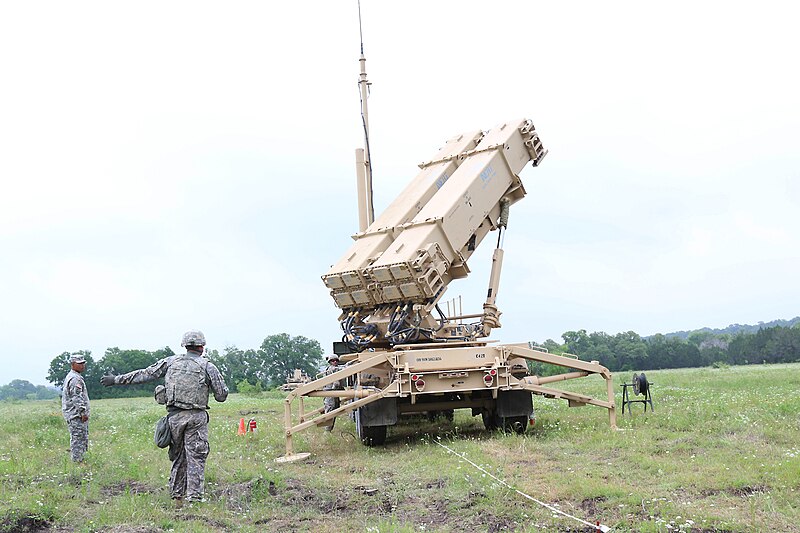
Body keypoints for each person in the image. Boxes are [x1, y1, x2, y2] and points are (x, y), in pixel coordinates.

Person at [100, 330, 228, 507]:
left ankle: (177, 497)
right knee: (196, 458)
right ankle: (194, 500)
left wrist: (116, 379)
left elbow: (144, 374)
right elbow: (221, 396)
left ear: (184, 345)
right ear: (202, 347)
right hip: (196, 418)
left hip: (174, 417)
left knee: (178, 457)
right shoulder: (208, 366)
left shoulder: (170, 362)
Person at [62, 353, 90, 462]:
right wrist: (82, 412)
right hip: (76, 414)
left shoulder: (73, 376)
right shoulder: (75, 379)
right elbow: (76, 397)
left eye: (83, 363)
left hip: (74, 413)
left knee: (80, 438)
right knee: (78, 439)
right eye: (79, 363)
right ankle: (78, 462)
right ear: (73, 364)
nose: (82, 365)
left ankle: (81, 460)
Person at [322, 355, 345, 432]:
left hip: (332, 394)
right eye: (333, 360)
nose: (335, 362)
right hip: (330, 394)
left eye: (336, 360)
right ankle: (327, 431)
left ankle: (329, 430)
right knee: (330, 412)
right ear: (330, 362)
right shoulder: (333, 369)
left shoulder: (331, 369)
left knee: (333, 411)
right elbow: (336, 383)